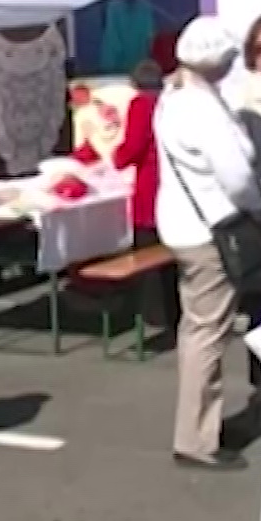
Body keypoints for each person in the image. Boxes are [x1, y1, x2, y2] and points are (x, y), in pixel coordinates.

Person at [153, 17, 261, 472]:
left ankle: (196, 427)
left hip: (185, 228)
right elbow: (237, 177)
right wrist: (260, 207)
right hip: (212, 230)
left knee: (196, 330)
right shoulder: (203, 108)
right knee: (207, 333)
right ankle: (197, 438)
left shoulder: (172, 98)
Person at [72, 61, 174, 327]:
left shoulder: (142, 104)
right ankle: (171, 309)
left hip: (150, 186)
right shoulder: (168, 101)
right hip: (169, 182)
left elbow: (134, 146)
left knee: (148, 245)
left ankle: (154, 313)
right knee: (167, 250)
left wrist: (115, 159)